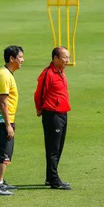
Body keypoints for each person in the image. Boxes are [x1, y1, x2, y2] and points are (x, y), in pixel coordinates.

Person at [34, 47, 72, 190]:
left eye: (68, 57)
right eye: (64, 57)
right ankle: (54, 180)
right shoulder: (48, 73)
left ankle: (50, 177)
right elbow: (39, 93)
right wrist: (39, 108)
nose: (67, 60)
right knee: (53, 149)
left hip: (62, 113)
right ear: (55, 58)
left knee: (59, 147)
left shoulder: (61, 72)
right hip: (52, 114)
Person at [0, 45, 24, 196]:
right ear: (12, 58)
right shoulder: (4, 75)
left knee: (6, 150)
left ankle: (1, 181)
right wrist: (8, 125)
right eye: (20, 57)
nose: (23, 60)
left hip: (4, 119)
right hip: (1, 120)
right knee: (3, 152)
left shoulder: (7, 74)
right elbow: (2, 102)